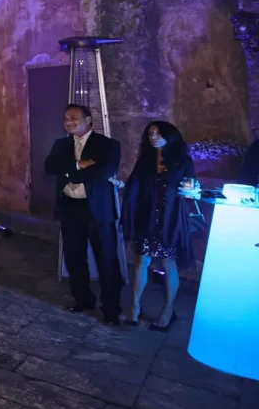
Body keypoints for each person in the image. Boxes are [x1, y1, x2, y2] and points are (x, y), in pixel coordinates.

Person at [44, 104, 123, 324]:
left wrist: (70, 173)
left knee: (106, 259)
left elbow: (103, 172)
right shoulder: (61, 144)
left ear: (88, 120)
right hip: (70, 207)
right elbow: (50, 167)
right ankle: (83, 299)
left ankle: (111, 309)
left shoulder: (107, 144)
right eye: (66, 118)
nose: (69, 122)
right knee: (74, 257)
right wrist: (79, 165)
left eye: (74, 118)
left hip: (97, 209)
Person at [122, 121, 196, 331]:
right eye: (150, 133)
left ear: (170, 136)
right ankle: (135, 309)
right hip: (146, 217)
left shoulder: (182, 161)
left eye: (158, 133)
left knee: (168, 262)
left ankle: (168, 311)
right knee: (141, 261)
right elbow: (134, 186)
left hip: (170, 219)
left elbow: (189, 187)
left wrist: (189, 189)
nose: (153, 137)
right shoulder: (144, 160)